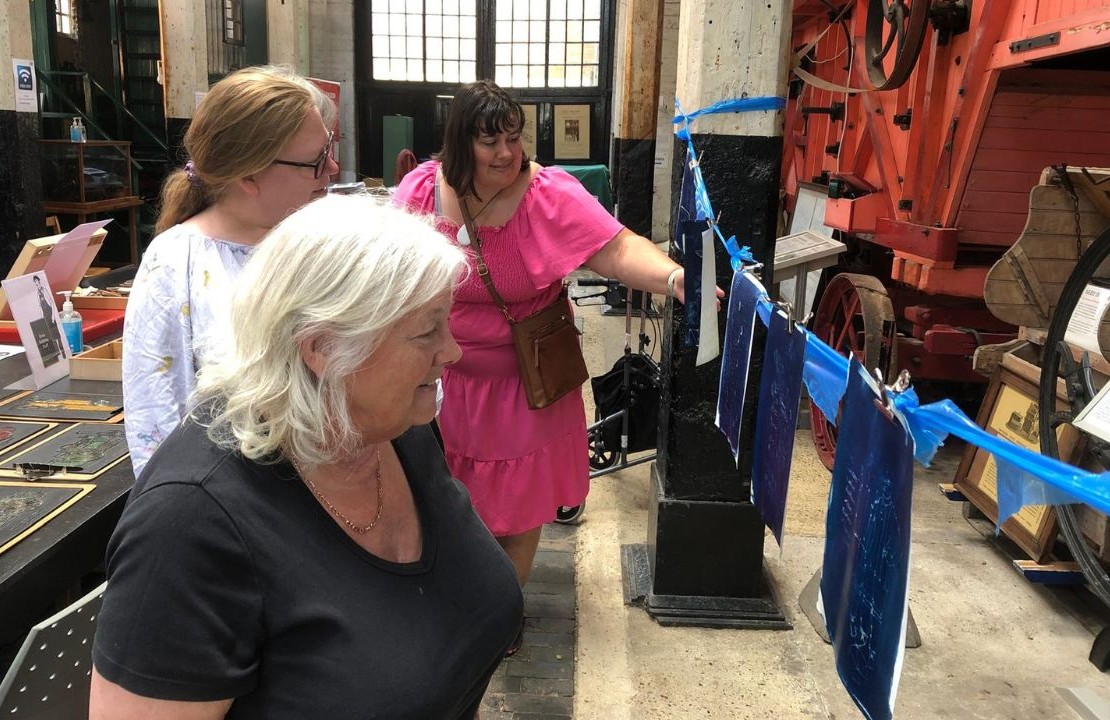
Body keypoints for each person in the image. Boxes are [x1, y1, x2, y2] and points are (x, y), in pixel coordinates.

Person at [90, 195, 523, 719]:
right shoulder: (191, 523)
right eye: (427, 330)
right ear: (322, 348)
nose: (451, 351)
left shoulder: (394, 429)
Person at [393, 80, 709, 652]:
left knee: (516, 509)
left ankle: (499, 615)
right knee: (445, 500)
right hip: (441, 381)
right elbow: (381, 265)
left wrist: (674, 278)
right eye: (490, 142)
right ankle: (457, 599)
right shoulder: (421, 190)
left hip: (526, 381)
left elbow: (614, 247)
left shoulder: (547, 194)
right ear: (460, 143)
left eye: (514, 138)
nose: (506, 153)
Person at [122, 65, 339, 477]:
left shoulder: (320, 242)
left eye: (328, 149)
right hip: (232, 495)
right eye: (315, 160)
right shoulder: (176, 263)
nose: (331, 168)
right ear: (248, 174)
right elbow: (156, 414)